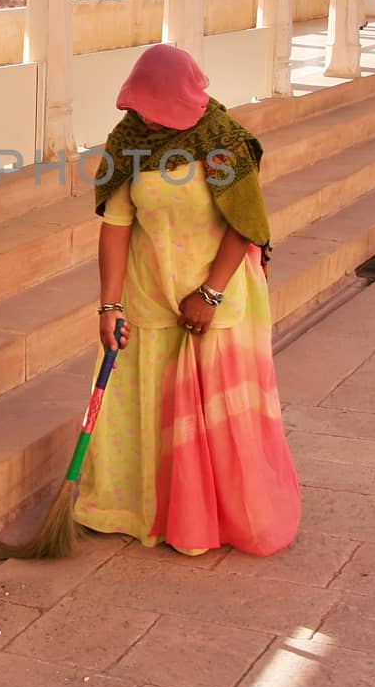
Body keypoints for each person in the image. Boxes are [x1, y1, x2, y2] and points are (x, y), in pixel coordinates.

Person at [75, 44, 301, 557]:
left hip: (215, 296)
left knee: (215, 414)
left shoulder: (220, 141)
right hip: (148, 294)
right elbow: (116, 226)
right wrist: (109, 308)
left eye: (156, 111)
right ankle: (137, 510)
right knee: (146, 405)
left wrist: (210, 293)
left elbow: (244, 224)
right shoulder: (129, 139)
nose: (146, 123)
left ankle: (212, 515)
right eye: (139, 110)